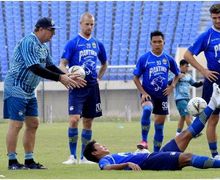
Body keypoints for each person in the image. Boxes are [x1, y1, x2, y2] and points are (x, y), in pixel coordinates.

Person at [3, 17, 86, 170]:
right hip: (16, 86)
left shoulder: (43, 47)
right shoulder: (29, 42)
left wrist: (66, 76)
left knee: (33, 123)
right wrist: (60, 78)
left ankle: (29, 160)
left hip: (29, 89)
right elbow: (34, 67)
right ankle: (12, 161)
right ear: (40, 29)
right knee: (16, 124)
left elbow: (50, 66)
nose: (53, 34)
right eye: (51, 30)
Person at [83, 83, 220, 171]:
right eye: (100, 147)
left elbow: (128, 159)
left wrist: (137, 153)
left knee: (186, 134)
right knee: (188, 158)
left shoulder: (112, 156)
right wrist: (127, 165)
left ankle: (213, 103)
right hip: (150, 161)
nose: (103, 146)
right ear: (95, 153)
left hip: (152, 155)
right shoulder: (105, 160)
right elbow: (106, 168)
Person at [59, 12, 107, 165]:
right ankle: (72, 156)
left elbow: (104, 63)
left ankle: (84, 157)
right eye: (87, 24)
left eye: (92, 24)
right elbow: (62, 64)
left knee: (88, 121)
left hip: (92, 87)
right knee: (74, 120)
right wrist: (69, 77)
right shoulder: (73, 43)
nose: (89, 27)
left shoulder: (98, 44)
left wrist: (99, 78)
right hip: (77, 87)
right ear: (80, 24)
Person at [133, 30, 181, 152]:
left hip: (162, 96)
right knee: (148, 109)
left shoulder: (168, 59)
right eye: (155, 42)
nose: (157, 44)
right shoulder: (145, 58)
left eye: (160, 42)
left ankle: (156, 153)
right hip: (148, 94)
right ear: (151, 43)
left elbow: (178, 74)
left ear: (164, 42)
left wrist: (172, 86)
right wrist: (143, 92)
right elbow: (135, 77)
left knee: (159, 126)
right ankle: (144, 141)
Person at [184, 3, 220, 158]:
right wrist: (203, 70)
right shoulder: (207, 36)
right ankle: (215, 155)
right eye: (214, 18)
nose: (218, 20)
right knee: (212, 119)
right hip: (214, 81)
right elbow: (187, 55)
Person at [172, 59, 203, 136]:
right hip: (180, 99)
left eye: (188, 66)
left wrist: (203, 82)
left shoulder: (188, 76)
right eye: (186, 66)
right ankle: (194, 132)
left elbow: (195, 84)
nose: (187, 68)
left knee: (183, 117)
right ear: (181, 66)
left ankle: (178, 133)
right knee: (187, 115)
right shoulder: (176, 75)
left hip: (187, 98)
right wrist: (178, 78)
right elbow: (169, 83)